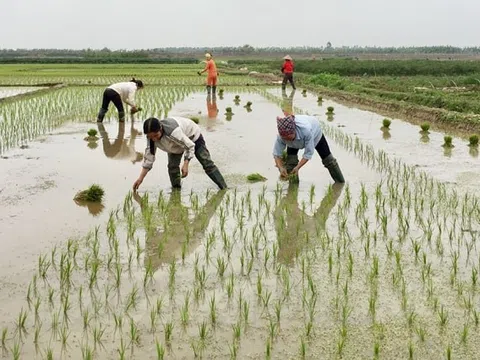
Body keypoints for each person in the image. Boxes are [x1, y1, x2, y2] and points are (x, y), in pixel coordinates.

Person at [133, 116, 228, 191]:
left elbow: (190, 146)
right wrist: (140, 179)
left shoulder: (173, 132)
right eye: (150, 137)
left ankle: (224, 187)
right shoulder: (151, 138)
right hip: (174, 144)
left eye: (156, 135)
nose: (154, 139)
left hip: (192, 137)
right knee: (172, 167)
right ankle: (176, 191)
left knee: (207, 163)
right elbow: (149, 159)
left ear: (161, 129)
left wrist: (186, 163)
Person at [274, 182, 344, 266]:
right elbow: (277, 219)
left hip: (312, 225)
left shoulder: (290, 242)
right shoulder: (301, 246)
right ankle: (338, 187)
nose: (280, 250)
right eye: (281, 252)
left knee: (327, 204)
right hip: (314, 225)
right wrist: (283, 204)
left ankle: (338, 187)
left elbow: (277, 218)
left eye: (280, 252)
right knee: (327, 205)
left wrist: (283, 204)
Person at [273, 114, 345, 183]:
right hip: (296, 138)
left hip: (315, 133)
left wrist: (298, 167)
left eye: (288, 137)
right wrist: (281, 167)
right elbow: (277, 154)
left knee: (328, 160)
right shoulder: (282, 136)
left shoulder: (306, 131)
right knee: (291, 164)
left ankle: (340, 183)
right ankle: (293, 189)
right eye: (285, 138)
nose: (287, 140)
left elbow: (308, 153)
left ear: (294, 131)